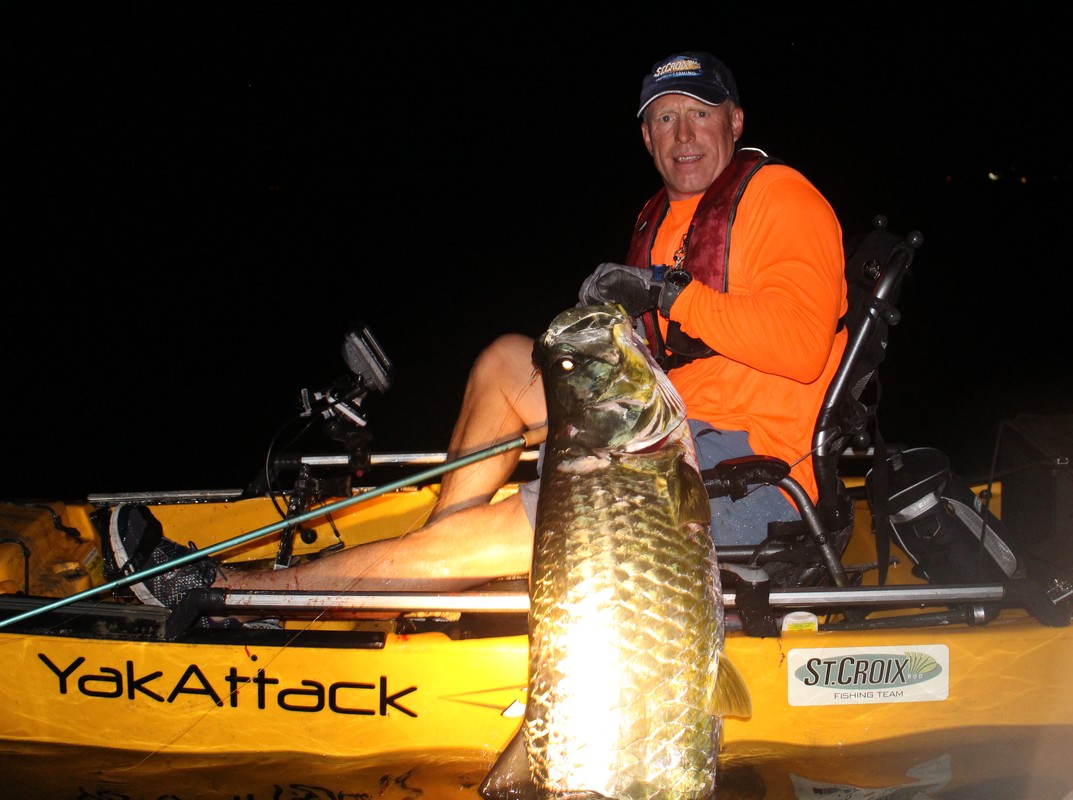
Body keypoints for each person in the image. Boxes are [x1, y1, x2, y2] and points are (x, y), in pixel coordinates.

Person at [109, 51, 848, 610]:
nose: (683, 134)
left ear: (736, 122)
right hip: (668, 424)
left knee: (518, 523)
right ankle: (434, 562)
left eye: (700, 113)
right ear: (646, 135)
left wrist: (663, 291)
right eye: (664, 117)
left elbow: (800, 344)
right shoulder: (667, 215)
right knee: (504, 360)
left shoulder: (782, 197)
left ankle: (232, 590)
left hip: (746, 469)